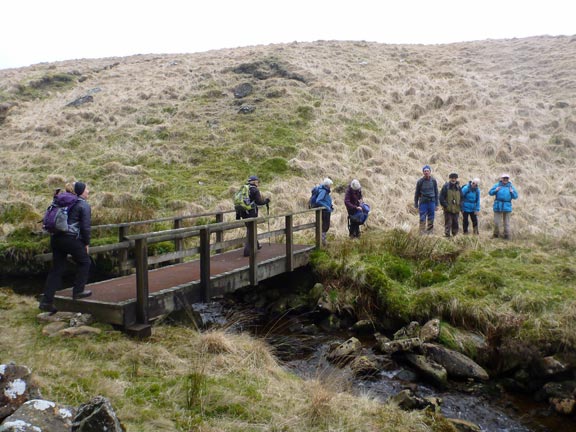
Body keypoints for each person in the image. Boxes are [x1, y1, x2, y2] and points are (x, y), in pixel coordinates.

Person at [40, 181, 92, 314]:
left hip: (56, 238)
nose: (88, 192)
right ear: (81, 191)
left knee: (57, 269)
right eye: (87, 189)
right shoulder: (82, 204)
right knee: (85, 262)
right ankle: (78, 291)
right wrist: (86, 243)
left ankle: (46, 301)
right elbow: (85, 227)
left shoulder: (61, 201)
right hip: (71, 239)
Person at [235, 175, 270, 256]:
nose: (258, 183)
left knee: (250, 229)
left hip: (243, 213)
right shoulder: (255, 190)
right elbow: (259, 202)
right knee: (250, 231)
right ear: (254, 182)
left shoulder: (244, 188)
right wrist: (266, 201)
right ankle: (246, 252)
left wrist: (238, 216)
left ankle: (257, 245)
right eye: (257, 181)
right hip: (251, 213)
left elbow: (239, 202)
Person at [488, 173, 518, 239]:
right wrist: (495, 190)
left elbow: (516, 196)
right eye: (504, 178)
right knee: (496, 222)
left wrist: (512, 192)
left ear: (508, 179)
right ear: (501, 179)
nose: (505, 179)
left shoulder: (511, 187)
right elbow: (490, 192)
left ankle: (507, 236)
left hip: (507, 206)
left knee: (506, 223)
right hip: (498, 205)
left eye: (506, 178)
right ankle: (496, 235)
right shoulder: (497, 185)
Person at [414, 165, 439, 234]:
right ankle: (421, 232)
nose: (426, 172)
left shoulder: (433, 181)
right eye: (425, 171)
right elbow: (416, 194)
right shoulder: (420, 182)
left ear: (430, 172)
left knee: (431, 217)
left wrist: (437, 204)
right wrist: (416, 204)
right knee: (422, 217)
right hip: (423, 202)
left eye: (427, 171)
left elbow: (436, 193)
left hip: (432, 202)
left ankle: (430, 232)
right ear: (423, 172)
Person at [440, 172, 462, 237]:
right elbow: (441, 197)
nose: (453, 179)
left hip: (456, 209)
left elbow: (462, 197)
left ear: (456, 179)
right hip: (448, 209)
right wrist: (446, 205)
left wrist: (460, 205)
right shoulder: (445, 187)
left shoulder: (458, 187)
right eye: (452, 178)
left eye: (455, 178)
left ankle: (455, 235)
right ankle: (447, 235)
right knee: (448, 223)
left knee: (455, 223)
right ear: (450, 179)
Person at [314, 178, 334, 245]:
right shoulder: (323, 191)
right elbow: (318, 200)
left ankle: (322, 240)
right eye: (330, 185)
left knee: (325, 225)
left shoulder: (325, 190)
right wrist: (327, 206)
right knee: (325, 226)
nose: (330, 186)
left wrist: (330, 205)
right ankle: (322, 241)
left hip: (326, 210)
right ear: (327, 185)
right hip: (325, 211)